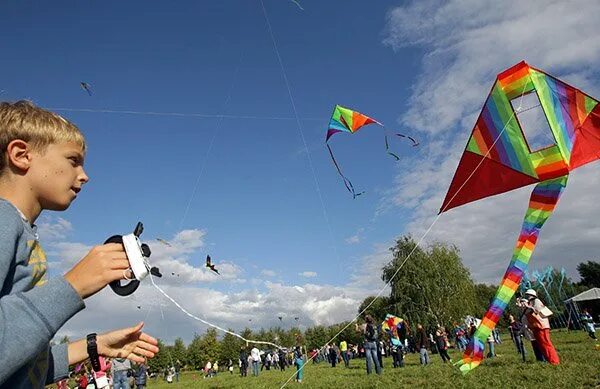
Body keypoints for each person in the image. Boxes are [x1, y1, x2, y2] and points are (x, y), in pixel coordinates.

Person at [0, 101, 160, 387]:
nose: (84, 175)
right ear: (21, 155)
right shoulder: (2, 219)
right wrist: (73, 285)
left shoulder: (22, 230)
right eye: (73, 160)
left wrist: (94, 346)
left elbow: (18, 368)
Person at [524, 289, 560, 365]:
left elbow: (537, 311)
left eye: (528, 295)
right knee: (542, 345)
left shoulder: (536, 301)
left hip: (541, 326)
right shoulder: (531, 302)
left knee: (546, 343)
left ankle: (554, 361)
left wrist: (529, 307)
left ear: (532, 295)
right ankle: (549, 360)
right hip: (537, 326)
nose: (526, 296)